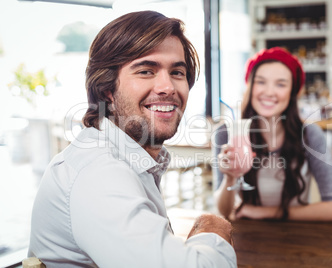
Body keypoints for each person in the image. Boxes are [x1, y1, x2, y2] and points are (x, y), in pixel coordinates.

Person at [28, 11, 236, 268]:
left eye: (177, 72)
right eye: (146, 71)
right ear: (107, 89)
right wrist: (213, 229)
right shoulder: (97, 171)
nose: (168, 87)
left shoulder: (126, 154)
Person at [213, 47, 332, 222]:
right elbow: (224, 212)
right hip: (245, 239)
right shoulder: (226, 134)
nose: (269, 92)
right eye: (261, 82)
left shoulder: (310, 135)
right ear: (250, 87)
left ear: (292, 93)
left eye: (280, 84)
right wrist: (229, 178)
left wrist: (266, 212)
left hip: (295, 238)